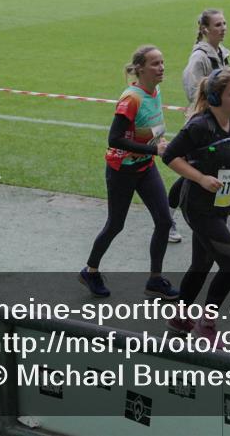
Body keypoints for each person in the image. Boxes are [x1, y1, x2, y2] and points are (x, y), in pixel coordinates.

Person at [161, 67, 230, 340]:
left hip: (220, 206)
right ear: (215, 98)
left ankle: (179, 318)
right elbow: (171, 156)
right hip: (198, 207)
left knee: (202, 264)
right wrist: (200, 178)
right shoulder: (199, 126)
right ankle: (205, 326)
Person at [79, 45, 179, 301]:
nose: (162, 67)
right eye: (155, 64)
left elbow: (151, 128)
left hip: (145, 166)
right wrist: (154, 150)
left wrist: (157, 147)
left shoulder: (155, 91)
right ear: (140, 69)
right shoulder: (130, 99)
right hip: (121, 171)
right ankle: (90, 271)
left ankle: (155, 280)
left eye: (162, 62)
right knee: (115, 224)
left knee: (165, 221)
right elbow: (114, 139)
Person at [170, 8, 230, 246]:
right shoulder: (200, 57)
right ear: (205, 29)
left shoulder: (220, 53)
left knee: (227, 168)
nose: (223, 28)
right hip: (205, 127)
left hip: (219, 122)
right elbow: (192, 87)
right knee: (192, 175)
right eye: (218, 24)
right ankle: (167, 218)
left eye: (224, 23)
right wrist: (209, 111)